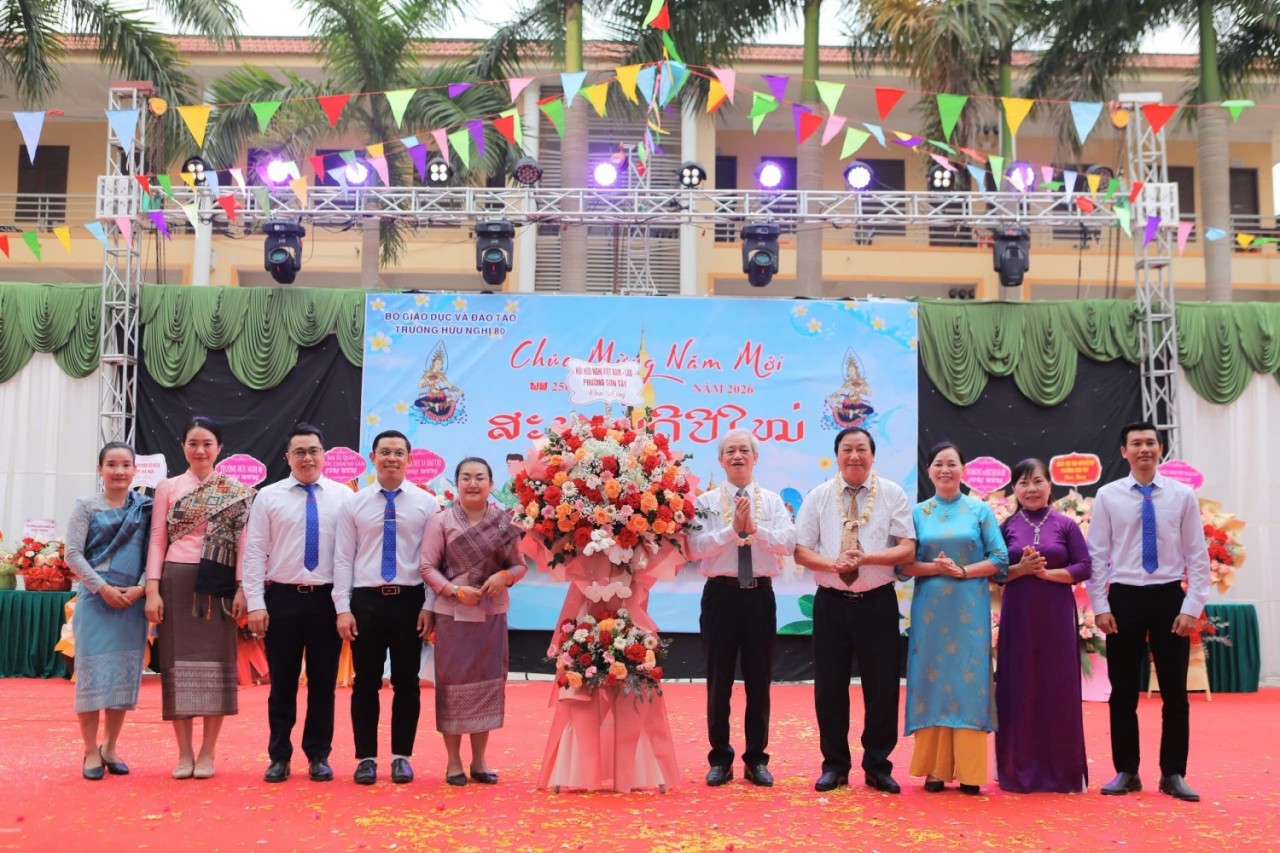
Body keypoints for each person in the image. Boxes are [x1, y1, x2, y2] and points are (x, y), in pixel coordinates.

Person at [1086, 421, 1211, 803]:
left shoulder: (1182, 496)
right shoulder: (1107, 496)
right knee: (1122, 691)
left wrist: (1192, 607)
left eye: (1150, 443)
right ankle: (1127, 770)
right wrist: (1101, 606)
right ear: (1123, 451)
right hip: (1123, 599)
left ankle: (1173, 773)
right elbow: (1096, 557)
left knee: (1175, 691)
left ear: (1160, 449)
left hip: (1169, 598)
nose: (1144, 449)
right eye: (1136, 443)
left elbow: (1198, 556)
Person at [794, 427, 916, 794]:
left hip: (878, 601)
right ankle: (835, 765)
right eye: (847, 449)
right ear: (837, 455)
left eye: (861, 449)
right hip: (831, 603)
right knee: (829, 688)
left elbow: (907, 548)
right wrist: (833, 564)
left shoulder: (892, 494)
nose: (854, 456)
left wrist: (869, 558)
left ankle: (878, 765)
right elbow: (800, 550)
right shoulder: (818, 496)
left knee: (882, 688)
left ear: (872, 455)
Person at [144, 415, 255, 780]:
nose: (200, 450)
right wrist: (153, 590)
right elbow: (158, 539)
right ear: (183, 447)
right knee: (177, 665)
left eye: (207, 443)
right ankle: (184, 753)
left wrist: (242, 588)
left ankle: (207, 753)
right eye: (193, 443)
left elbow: (243, 544)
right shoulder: (168, 487)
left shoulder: (235, 490)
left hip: (219, 585)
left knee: (216, 666)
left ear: (219, 448)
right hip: (176, 581)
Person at [242, 423, 352, 784]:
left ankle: (319, 756)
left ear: (324, 455)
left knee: (323, 685)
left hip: (327, 600)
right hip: (283, 600)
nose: (308, 457)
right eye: (300, 451)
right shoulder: (269, 497)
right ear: (288, 457)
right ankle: (279, 756)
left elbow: (351, 555)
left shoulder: (344, 497)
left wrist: (344, 606)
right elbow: (255, 551)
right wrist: (256, 602)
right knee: (283, 685)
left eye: (314, 451)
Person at [687, 430, 796, 788]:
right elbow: (695, 547)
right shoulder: (705, 501)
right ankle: (720, 759)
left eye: (744, 450)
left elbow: (788, 543)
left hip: (759, 598)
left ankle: (756, 760)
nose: (737, 455)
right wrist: (732, 531)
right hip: (720, 595)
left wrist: (754, 528)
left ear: (755, 458)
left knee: (759, 682)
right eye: (730, 451)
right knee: (718, 682)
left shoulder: (773, 501)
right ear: (720, 460)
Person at [899, 442, 1008, 795]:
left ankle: (971, 771)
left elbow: (1000, 559)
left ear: (963, 470)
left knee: (969, 680)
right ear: (929, 471)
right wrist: (938, 568)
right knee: (931, 680)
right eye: (938, 464)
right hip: (930, 611)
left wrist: (963, 571)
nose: (945, 470)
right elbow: (902, 566)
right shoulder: (917, 513)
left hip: (969, 611)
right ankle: (934, 769)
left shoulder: (980, 510)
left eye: (952, 464)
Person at [332, 429, 439, 785]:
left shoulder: (427, 505)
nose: (391, 458)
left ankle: (401, 757)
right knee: (365, 682)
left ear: (409, 460)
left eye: (398, 453)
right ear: (373, 457)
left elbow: (434, 561)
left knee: (407, 682)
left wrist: (430, 605)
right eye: (385, 452)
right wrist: (342, 608)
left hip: (410, 601)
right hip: (366, 601)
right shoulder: (354, 503)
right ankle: (365, 758)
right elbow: (343, 558)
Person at [419, 457, 526, 785]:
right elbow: (426, 567)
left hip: (490, 617)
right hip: (452, 617)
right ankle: (453, 763)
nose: (473, 483)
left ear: (491, 484)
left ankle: (479, 762)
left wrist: (505, 576)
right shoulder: (441, 521)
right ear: (457, 483)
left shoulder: (504, 524)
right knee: (452, 689)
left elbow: (519, 565)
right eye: (466, 477)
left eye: (480, 477)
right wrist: (453, 590)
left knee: (488, 686)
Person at [994, 457, 1092, 793]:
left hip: (1056, 619)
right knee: (1019, 686)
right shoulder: (1006, 526)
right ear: (1014, 490)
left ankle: (1061, 771)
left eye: (1037, 481)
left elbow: (1084, 567)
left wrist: (1045, 574)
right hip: (1018, 619)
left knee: (1057, 688)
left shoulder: (1066, 525)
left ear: (1050, 485)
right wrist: (1019, 570)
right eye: (1023, 483)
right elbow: (993, 572)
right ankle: (1016, 768)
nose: (1031, 489)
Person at [64, 442, 153, 780]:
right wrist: (101, 588)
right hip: (95, 598)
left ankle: (110, 746)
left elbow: (153, 554)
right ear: (100, 469)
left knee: (122, 676)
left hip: (131, 601)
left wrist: (142, 588)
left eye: (125, 465)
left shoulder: (145, 508)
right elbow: (72, 554)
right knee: (90, 675)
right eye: (111, 464)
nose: (119, 471)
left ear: (134, 470)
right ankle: (89, 750)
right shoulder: (85, 506)